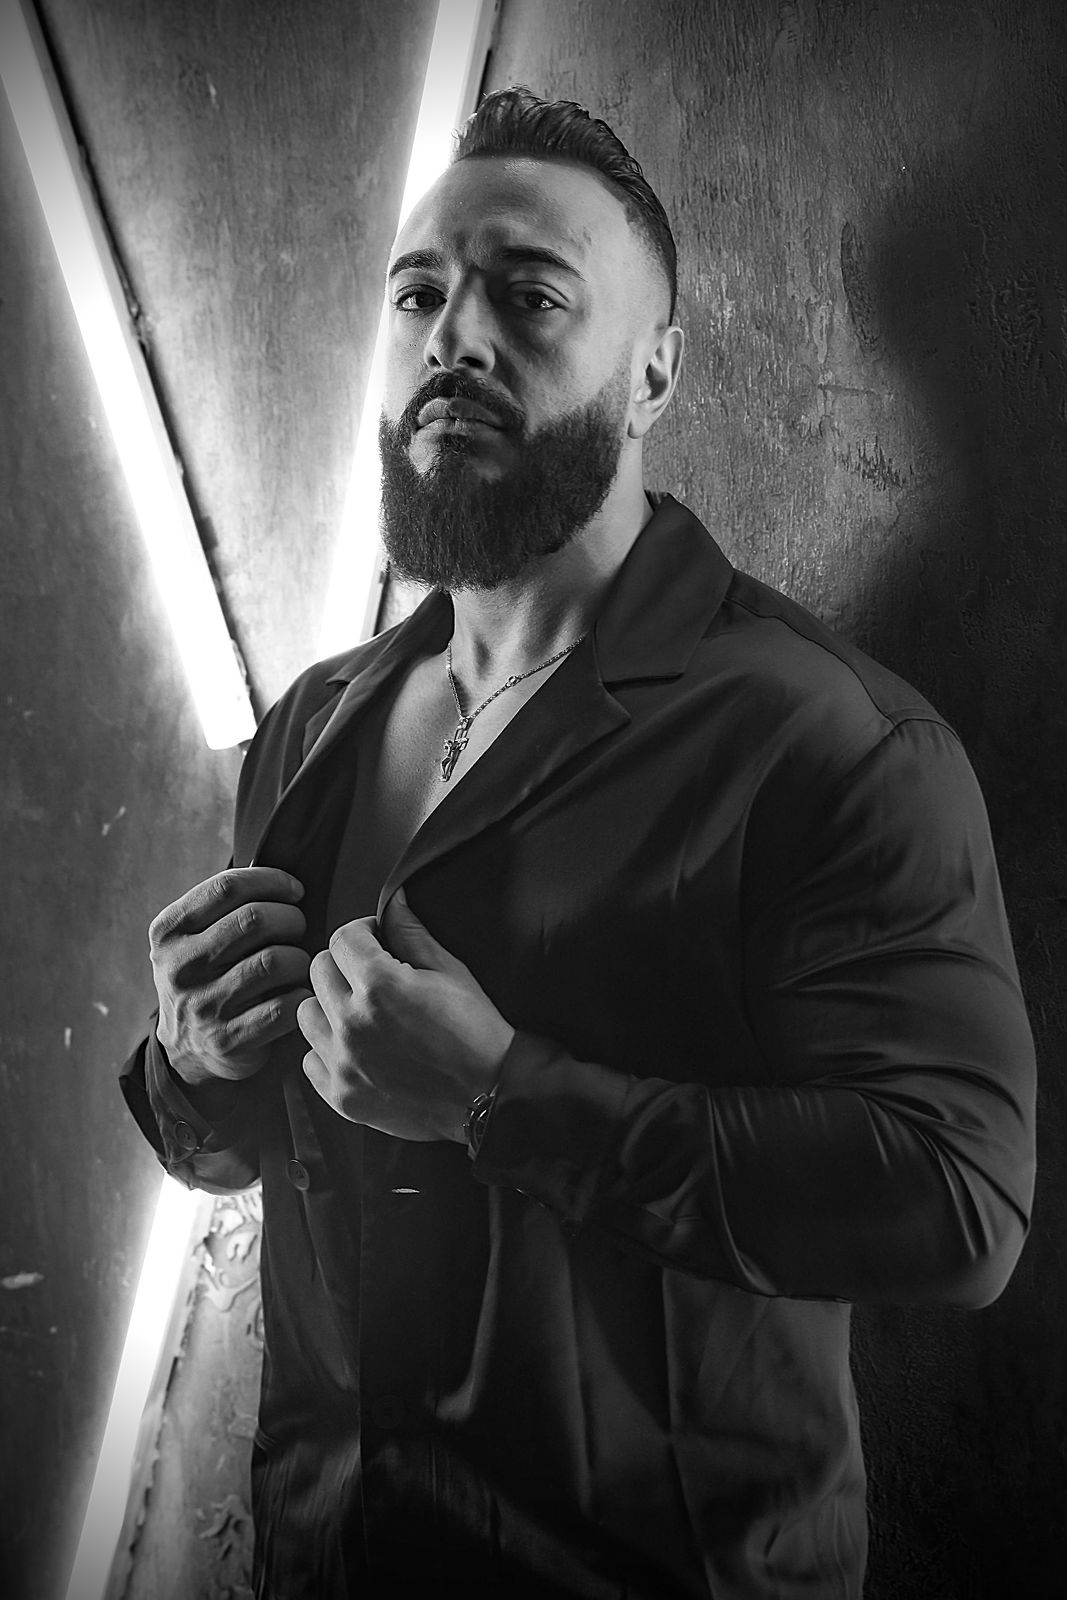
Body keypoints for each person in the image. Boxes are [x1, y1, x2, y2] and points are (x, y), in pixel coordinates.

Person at [121, 87, 1036, 1599]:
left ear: (655, 369)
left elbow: (959, 1206)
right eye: (420, 293)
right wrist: (192, 1065)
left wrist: (502, 1098)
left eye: (531, 296)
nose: (455, 339)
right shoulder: (314, 725)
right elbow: (244, 1146)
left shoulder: (829, 740)